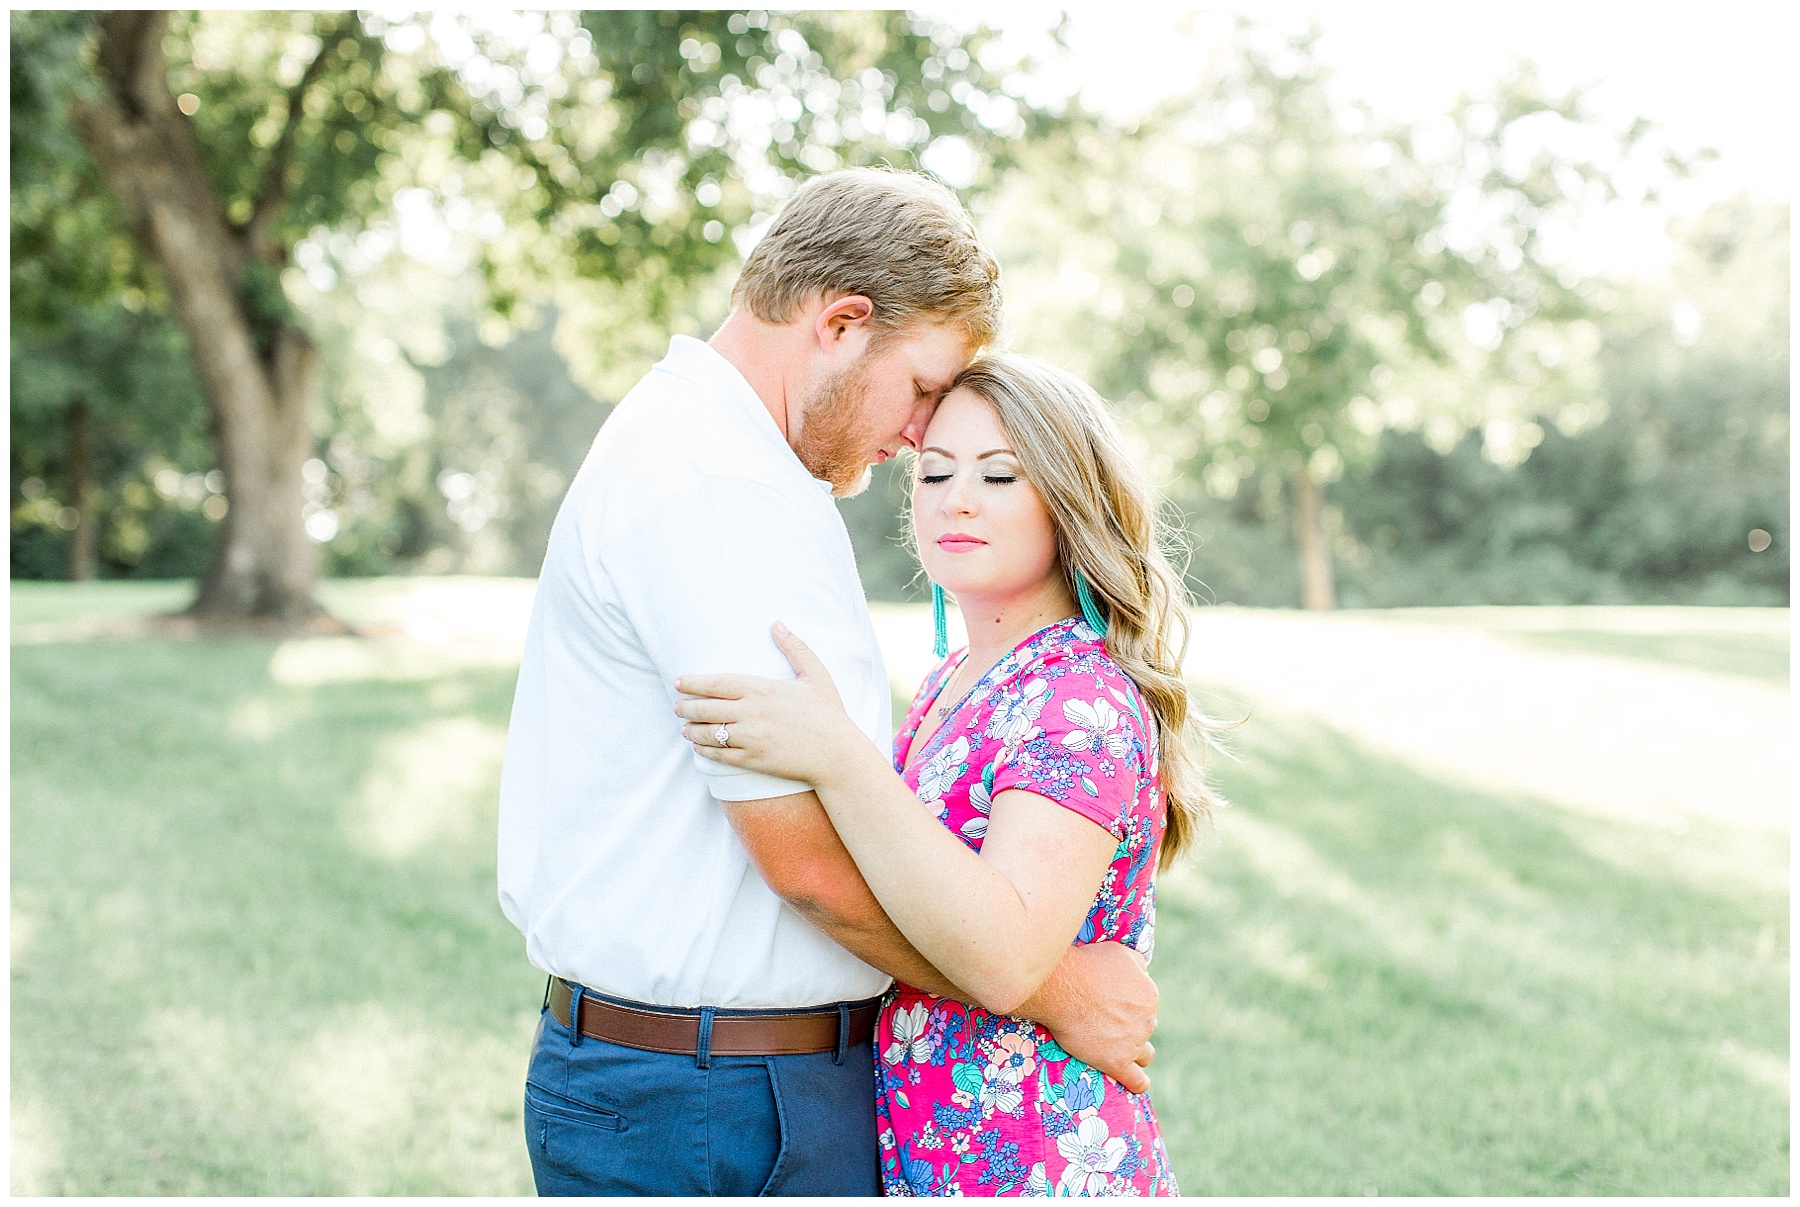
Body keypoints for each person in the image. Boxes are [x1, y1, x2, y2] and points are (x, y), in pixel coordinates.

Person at [497, 170, 1161, 1197]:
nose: (916, 440)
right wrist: (1054, 984)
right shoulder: (718, 484)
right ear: (844, 324)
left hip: (728, 1084)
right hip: (714, 1099)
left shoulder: (726, 459)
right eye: (923, 391)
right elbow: (807, 860)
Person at [674, 353, 1226, 1196]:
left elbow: (1004, 957)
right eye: (934, 471)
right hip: (934, 1146)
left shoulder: (1077, 697)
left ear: (1070, 503)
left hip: (1034, 1156)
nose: (955, 498)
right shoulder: (956, 680)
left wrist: (836, 754)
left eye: (999, 474)